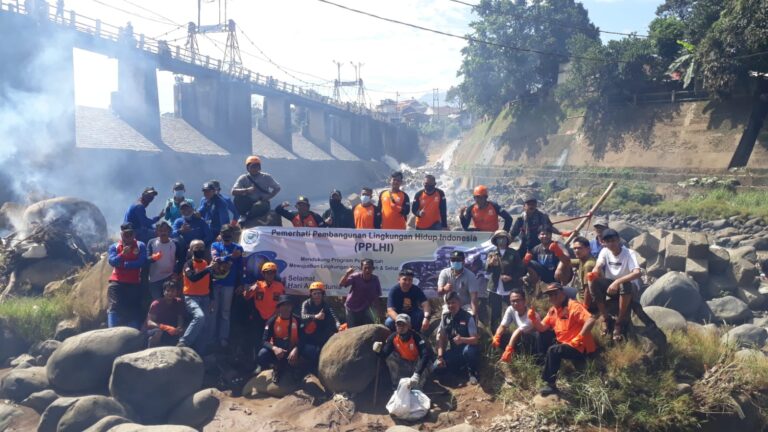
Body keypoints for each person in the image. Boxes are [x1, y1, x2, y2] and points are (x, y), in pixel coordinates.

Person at [590, 229, 658, 342]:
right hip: (612, 286)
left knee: (624, 284)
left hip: (629, 287)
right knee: (595, 282)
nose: (611, 244)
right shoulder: (605, 251)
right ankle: (605, 317)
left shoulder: (629, 253)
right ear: (604, 243)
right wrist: (595, 271)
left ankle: (619, 322)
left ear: (618, 240)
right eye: (608, 241)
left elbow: (637, 273)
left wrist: (617, 282)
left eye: (613, 240)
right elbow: (599, 264)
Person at [529, 283, 597, 396]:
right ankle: (543, 364)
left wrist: (580, 337)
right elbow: (542, 328)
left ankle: (550, 384)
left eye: (555, 294)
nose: (552, 297)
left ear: (562, 293)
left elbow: (591, 320)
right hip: (565, 344)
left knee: (554, 350)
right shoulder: (553, 310)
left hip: (580, 347)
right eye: (550, 295)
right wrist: (533, 319)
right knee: (541, 335)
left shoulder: (573, 306)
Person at [373, 314, 433, 390]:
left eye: (404, 324)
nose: (401, 327)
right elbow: (384, 355)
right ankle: (396, 383)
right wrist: (378, 351)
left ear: (409, 326)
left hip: (418, 364)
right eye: (399, 324)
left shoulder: (416, 337)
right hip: (405, 363)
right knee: (390, 357)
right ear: (395, 325)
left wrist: (417, 374)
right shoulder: (393, 337)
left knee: (415, 388)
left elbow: (425, 355)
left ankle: (418, 382)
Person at [209, 224, 244, 348]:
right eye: (224, 233)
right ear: (220, 233)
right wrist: (230, 257)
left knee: (225, 312)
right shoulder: (215, 245)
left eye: (229, 233)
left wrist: (241, 283)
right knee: (213, 312)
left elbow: (240, 267)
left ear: (233, 234)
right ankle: (211, 338)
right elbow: (215, 259)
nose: (226, 235)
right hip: (215, 283)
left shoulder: (238, 247)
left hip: (229, 284)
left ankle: (223, 338)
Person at [434, 292, 481, 385]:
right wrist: (440, 357)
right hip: (454, 351)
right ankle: (459, 370)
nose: (451, 305)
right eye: (448, 303)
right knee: (436, 368)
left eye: (453, 302)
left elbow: (475, 340)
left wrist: (463, 339)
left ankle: (472, 373)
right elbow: (441, 338)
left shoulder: (468, 317)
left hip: (468, 349)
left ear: (459, 302)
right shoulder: (445, 317)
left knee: (469, 351)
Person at [492, 290, 550, 362]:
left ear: (524, 301)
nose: (515, 303)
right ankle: (509, 355)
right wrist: (497, 336)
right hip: (521, 337)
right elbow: (503, 326)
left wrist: (509, 349)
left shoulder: (531, 314)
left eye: (518, 300)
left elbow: (518, 331)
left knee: (526, 337)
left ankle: (535, 359)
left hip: (533, 341)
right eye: (513, 301)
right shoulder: (510, 309)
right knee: (501, 335)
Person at [107, 223, 147, 328]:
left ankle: (133, 331)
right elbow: (112, 261)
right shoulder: (114, 246)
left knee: (134, 306)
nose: (128, 237)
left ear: (134, 234)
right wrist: (122, 254)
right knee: (114, 305)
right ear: (121, 234)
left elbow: (142, 261)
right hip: (117, 280)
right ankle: (112, 330)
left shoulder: (140, 245)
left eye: (130, 234)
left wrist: (126, 264)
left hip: (133, 281)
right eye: (126, 234)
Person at [258, 295, 305, 383]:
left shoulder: (298, 320)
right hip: (278, 352)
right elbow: (264, 341)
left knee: (309, 351)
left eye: (288, 305)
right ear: (279, 307)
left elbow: (304, 338)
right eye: (283, 305)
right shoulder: (272, 321)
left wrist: (296, 349)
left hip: (293, 351)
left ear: (291, 307)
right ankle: (274, 368)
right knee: (262, 354)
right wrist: (275, 349)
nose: (286, 308)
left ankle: (298, 369)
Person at [485, 230, 527, 330]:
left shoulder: (513, 253)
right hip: (495, 288)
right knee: (495, 313)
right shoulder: (492, 253)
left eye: (503, 238)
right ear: (496, 241)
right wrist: (490, 264)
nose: (501, 240)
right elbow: (487, 270)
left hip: (510, 288)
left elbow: (522, 270)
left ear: (507, 240)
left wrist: (511, 277)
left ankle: (515, 331)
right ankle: (495, 333)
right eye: (499, 238)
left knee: (513, 310)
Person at [179, 239, 214, 350]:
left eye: (202, 248)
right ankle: (184, 342)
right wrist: (207, 270)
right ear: (191, 250)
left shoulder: (206, 263)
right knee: (199, 317)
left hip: (205, 297)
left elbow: (210, 282)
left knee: (205, 324)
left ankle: (200, 350)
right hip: (191, 297)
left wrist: (212, 299)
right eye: (196, 248)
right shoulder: (188, 264)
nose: (200, 250)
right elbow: (193, 278)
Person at [244, 262, 286, 344]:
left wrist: (275, 316)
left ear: (275, 274)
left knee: (272, 340)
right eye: (267, 273)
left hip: (274, 318)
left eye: (272, 272)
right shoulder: (257, 284)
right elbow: (246, 297)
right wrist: (251, 289)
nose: (270, 275)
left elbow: (282, 303)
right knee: (256, 340)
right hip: (258, 318)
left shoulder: (280, 286)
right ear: (263, 274)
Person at [300, 282, 340, 368]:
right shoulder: (306, 303)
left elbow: (334, 316)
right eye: (315, 293)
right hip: (308, 334)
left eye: (319, 293)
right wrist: (315, 316)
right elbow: (303, 316)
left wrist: (338, 324)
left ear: (322, 294)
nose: (317, 296)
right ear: (311, 294)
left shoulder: (326, 304)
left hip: (321, 332)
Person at [231, 155, 281, 224]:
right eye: (252, 167)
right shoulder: (243, 178)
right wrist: (247, 190)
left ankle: (248, 218)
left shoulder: (266, 177)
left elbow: (277, 188)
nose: (254, 169)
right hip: (248, 202)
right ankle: (243, 215)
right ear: (247, 168)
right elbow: (233, 191)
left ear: (259, 167)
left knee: (259, 206)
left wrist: (268, 197)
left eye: (256, 166)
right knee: (237, 198)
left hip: (262, 202)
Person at [146, 220, 184, 300]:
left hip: (169, 277)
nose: (163, 233)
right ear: (156, 232)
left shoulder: (175, 243)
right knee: (158, 302)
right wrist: (153, 258)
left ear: (169, 231)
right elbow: (147, 259)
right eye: (160, 230)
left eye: (165, 230)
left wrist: (176, 272)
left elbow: (181, 259)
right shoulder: (152, 242)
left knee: (170, 301)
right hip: (155, 279)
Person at [339, 259, 382, 327]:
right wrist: (347, 274)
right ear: (361, 268)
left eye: (369, 268)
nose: (367, 270)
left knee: (367, 328)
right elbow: (341, 284)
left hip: (365, 309)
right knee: (352, 330)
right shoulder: (355, 277)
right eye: (365, 268)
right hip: (351, 308)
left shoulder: (375, 279)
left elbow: (376, 297)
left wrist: (378, 312)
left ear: (373, 269)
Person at [437, 250, 478, 316]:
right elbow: (439, 292)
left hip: (465, 306)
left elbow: (474, 298)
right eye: (453, 260)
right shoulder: (444, 273)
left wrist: (474, 315)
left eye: (458, 260)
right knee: (445, 319)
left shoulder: (470, 275)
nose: (455, 262)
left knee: (470, 318)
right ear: (450, 261)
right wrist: (444, 289)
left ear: (463, 262)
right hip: (449, 305)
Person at [144, 280, 185, 347]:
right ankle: (151, 350)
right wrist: (166, 327)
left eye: (173, 291)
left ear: (176, 292)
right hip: (155, 330)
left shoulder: (179, 302)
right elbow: (149, 322)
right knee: (158, 332)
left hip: (171, 330)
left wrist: (179, 327)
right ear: (164, 292)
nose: (170, 293)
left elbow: (180, 318)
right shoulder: (156, 304)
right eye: (168, 291)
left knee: (184, 330)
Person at [570, 236, 596, 301]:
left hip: (584, 301)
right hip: (579, 295)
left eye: (579, 248)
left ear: (588, 249)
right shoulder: (582, 260)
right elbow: (566, 261)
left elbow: (588, 290)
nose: (576, 251)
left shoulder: (589, 265)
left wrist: (584, 305)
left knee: (561, 293)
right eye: (574, 248)